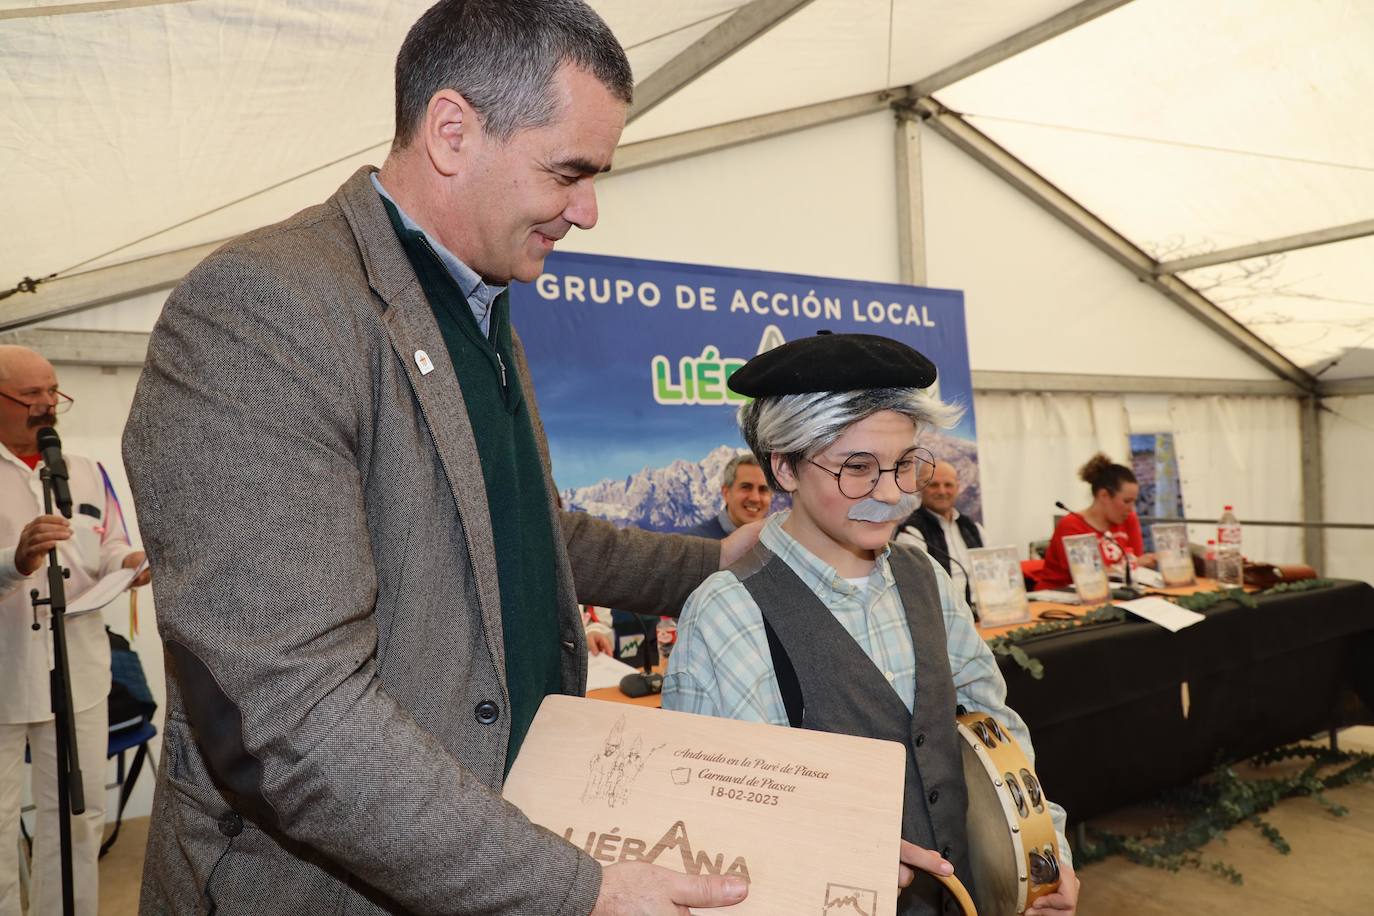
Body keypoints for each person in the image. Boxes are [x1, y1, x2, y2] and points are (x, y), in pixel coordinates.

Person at [121, 3, 757, 914]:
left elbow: (521, 529)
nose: (588, 210)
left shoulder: (481, 304)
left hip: (490, 846)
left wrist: (721, 562)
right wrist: (578, 893)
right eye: (569, 172)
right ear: (453, 131)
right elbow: (290, 715)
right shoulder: (265, 309)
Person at [662, 332, 1078, 916]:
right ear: (784, 466)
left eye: (906, 464)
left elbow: (995, 728)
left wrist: (1045, 852)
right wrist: (837, 856)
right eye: (857, 469)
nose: (891, 495)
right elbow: (718, 824)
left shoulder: (923, 576)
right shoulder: (729, 615)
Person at [1, 345, 149, 916]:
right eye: (30, 395)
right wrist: (13, 560)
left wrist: (127, 563)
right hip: (6, 672)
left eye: (52, 392)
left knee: (77, 817)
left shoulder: (84, 470)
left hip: (79, 673)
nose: (46, 406)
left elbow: (108, 543)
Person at [1035, 453, 1154, 590]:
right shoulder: (1072, 525)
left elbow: (1135, 563)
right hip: (1062, 596)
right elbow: (1088, 575)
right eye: (1126, 501)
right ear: (1104, 495)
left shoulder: (1129, 519)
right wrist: (1135, 564)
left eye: (1134, 501)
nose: (1131, 508)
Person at [894, 460, 984, 609]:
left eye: (948, 485)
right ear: (919, 486)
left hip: (983, 614)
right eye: (933, 485)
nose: (942, 491)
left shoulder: (974, 528)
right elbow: (916, 592)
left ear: (958, 487)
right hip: (945, 619)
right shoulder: (910, 533)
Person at [685, 453, 774, 539]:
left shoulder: (778, 545)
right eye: (746, 487)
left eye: (763, 489)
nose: (755, 498)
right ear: (726, 493)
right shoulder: (694, 544)